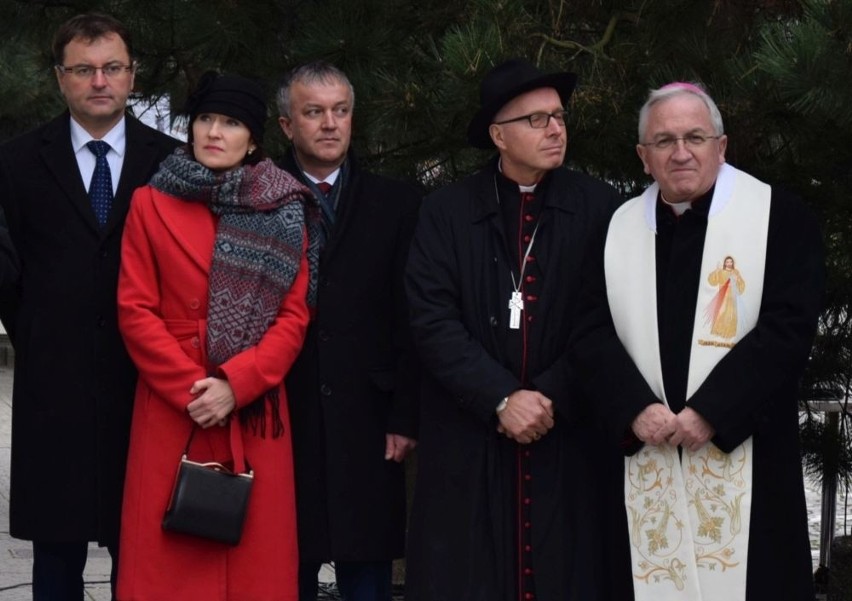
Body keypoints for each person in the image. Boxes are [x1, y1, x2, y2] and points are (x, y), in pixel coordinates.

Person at [571, 82, 824, 601]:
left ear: (721, 146)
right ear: (644, 157)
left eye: (694, 137)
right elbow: (588, 328)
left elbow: (788, 329)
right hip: (647, 447)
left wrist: (712, 410)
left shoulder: (779, 217)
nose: (680, 152)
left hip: (746, 448)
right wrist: (634, 406)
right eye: (663, 141)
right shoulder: (615, 228)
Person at [404, 58, 624, 601]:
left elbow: (613, 317)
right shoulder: (446, 211)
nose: (555, 129)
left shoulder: (603, 208)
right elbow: (431, 317)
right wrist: (501, 397)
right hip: (471, 432)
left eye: (559, 116)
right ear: (498, 136)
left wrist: (548, 395)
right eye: (537, 120)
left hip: (567, 434)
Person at [115, 71, 318, 601]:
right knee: (168, 567)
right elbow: (135, 310)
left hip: (253, 406)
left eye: (230, 123)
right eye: (206, 119)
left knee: (255, 565)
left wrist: (237, 383)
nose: (214, 132)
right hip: (175, 404)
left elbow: (293, 317)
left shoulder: (283, 207)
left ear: (253, 138)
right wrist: (194, 390)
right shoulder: (149, 202)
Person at [0, 12, 178, 600]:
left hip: (148, 387)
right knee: (55, 555)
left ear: (132, 75)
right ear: (59, 78)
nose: (99, 81)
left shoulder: (175, 162)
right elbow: (8, 272)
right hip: (56, 386)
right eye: (84, 70)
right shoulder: (17, 162)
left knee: (146, 551)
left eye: (112, 68)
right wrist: (38, 331)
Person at [276, 60, 420, 601]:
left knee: (368, 569)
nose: (330, 123)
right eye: (314, 112)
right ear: (288, 125)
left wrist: (406, 414)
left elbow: (413, 318)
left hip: (370, 416)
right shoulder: (258, 193)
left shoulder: (397, 202)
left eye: (340, 111)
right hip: (286, 412)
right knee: (288, 563)